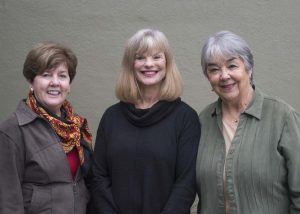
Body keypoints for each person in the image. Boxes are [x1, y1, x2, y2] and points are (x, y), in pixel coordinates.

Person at [91, 29, 201, 214]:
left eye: (156, 57)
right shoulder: (111, 117)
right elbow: (99, 177)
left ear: (167, 62)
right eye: (140, 57)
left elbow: (186, 182)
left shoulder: (185, 118)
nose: (149, 64)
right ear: (130, 65)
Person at [196, 30, 300, 214]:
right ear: (208, 78)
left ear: (249, 69)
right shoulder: (202, 122)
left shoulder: (282, 117)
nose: (224, 75)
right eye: (214, 69)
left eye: (232, 66)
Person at [0, 42, 93, 214]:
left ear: (69, 84)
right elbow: (8, 201)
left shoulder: (76, 126)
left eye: (62, 76)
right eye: (46, 75)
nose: (55, 82)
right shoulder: (12, 130)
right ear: (31, 81)